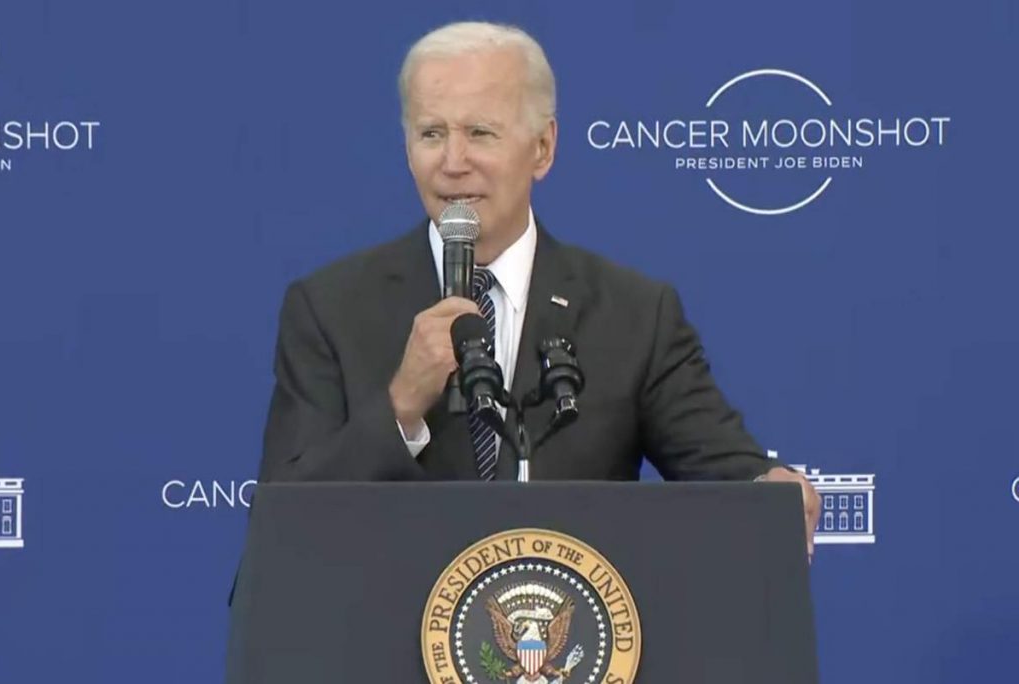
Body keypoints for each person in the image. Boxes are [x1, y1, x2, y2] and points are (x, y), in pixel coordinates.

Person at [256, 21, 820, 555]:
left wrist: (770, 487)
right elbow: (283, 524)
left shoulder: (632, 314)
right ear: (407, 148)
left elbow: (729, 472)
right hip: (387, 646)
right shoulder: (330, 307)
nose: (453, 162)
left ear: (543, 148)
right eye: (432, 134)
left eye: (480, 132)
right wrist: (402, 406)